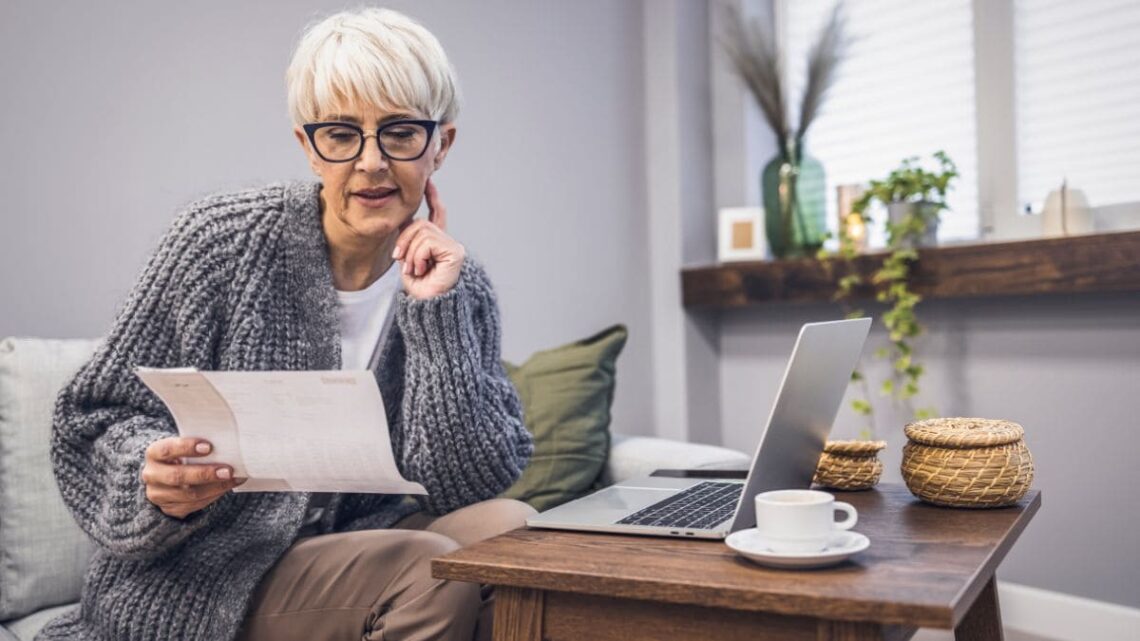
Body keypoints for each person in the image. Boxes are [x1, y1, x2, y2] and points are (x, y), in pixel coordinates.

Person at [43, 7, 535, 641]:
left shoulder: (458, 287)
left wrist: (434, 314)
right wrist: (153, 476)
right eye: (341, 134)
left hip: (350, 553)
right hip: (206, 578)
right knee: (426, 568)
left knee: (514, 534)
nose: (372, 163)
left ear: (441, 144)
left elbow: (466, 482)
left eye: (401, 132)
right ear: (308, 147)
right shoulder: (221, 242)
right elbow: (93, 416)